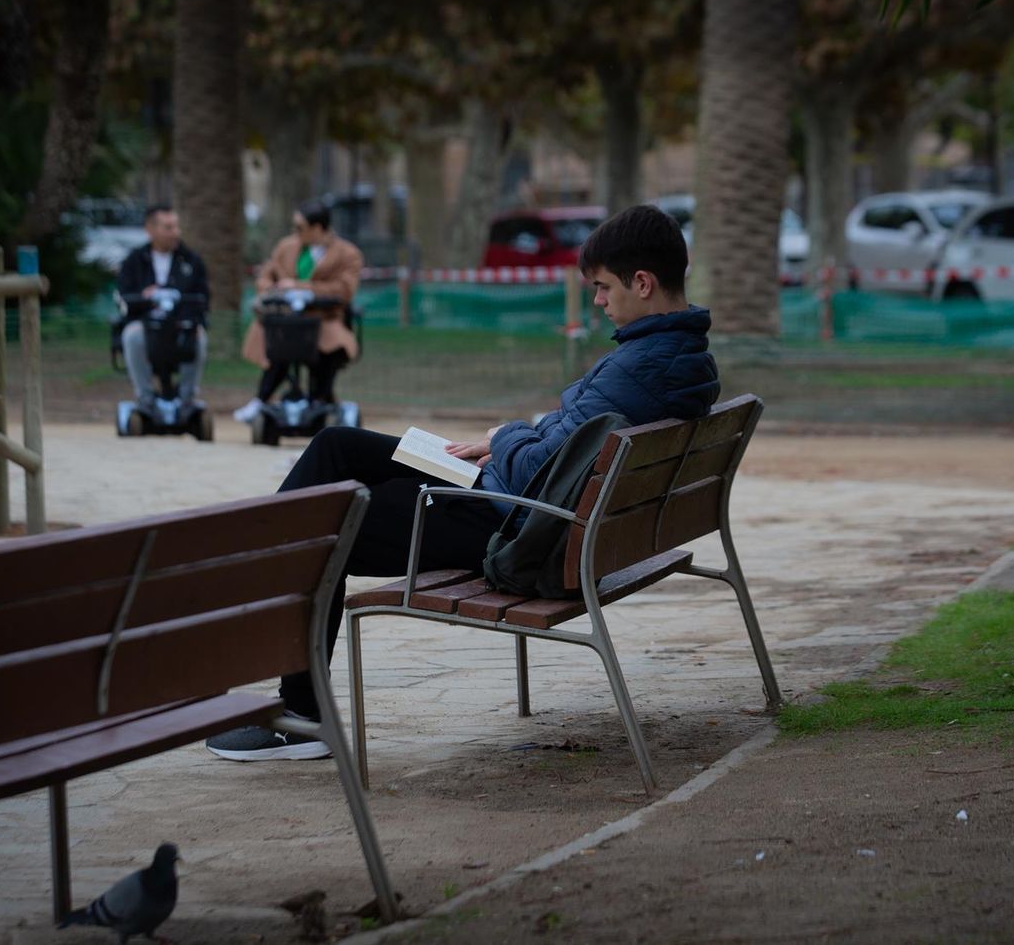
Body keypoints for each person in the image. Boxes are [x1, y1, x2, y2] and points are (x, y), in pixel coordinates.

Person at [206, 203, 720, 760]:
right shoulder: (680, 357)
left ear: (641, 283)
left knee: (317, 528)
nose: (597, 302)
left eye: (601, 288)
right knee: (337, 446)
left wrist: (505, 437)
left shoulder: (638, 369)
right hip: (528, 506)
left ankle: (300, 716)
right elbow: (570, 445)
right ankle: (267, 568)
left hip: (510, 524)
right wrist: (513, 441)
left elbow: (537, 468)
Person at [233, 200, 364, 423]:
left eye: (300, 227)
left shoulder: (347, 253)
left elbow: (344, 290)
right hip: (286, 319)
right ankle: (261, 400)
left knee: (329, 345)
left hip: (324, 318)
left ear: (318, 228)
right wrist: (272, 289)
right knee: (281, 344)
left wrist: (300, 287)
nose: (295, 232)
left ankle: (320, 400)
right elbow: (266, 276)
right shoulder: (286, 247)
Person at [116, 204, 210, 409]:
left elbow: (202, 298)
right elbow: (124, 295)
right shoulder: (135, 260)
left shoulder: (191, 260)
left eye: (176, 227)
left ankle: (187, 398)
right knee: (132, 335)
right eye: (168, 227)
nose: (175, 232)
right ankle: (145, 397)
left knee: (199, 336)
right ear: (150, 229)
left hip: (181, 324)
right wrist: (144, 297)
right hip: (145, 323)